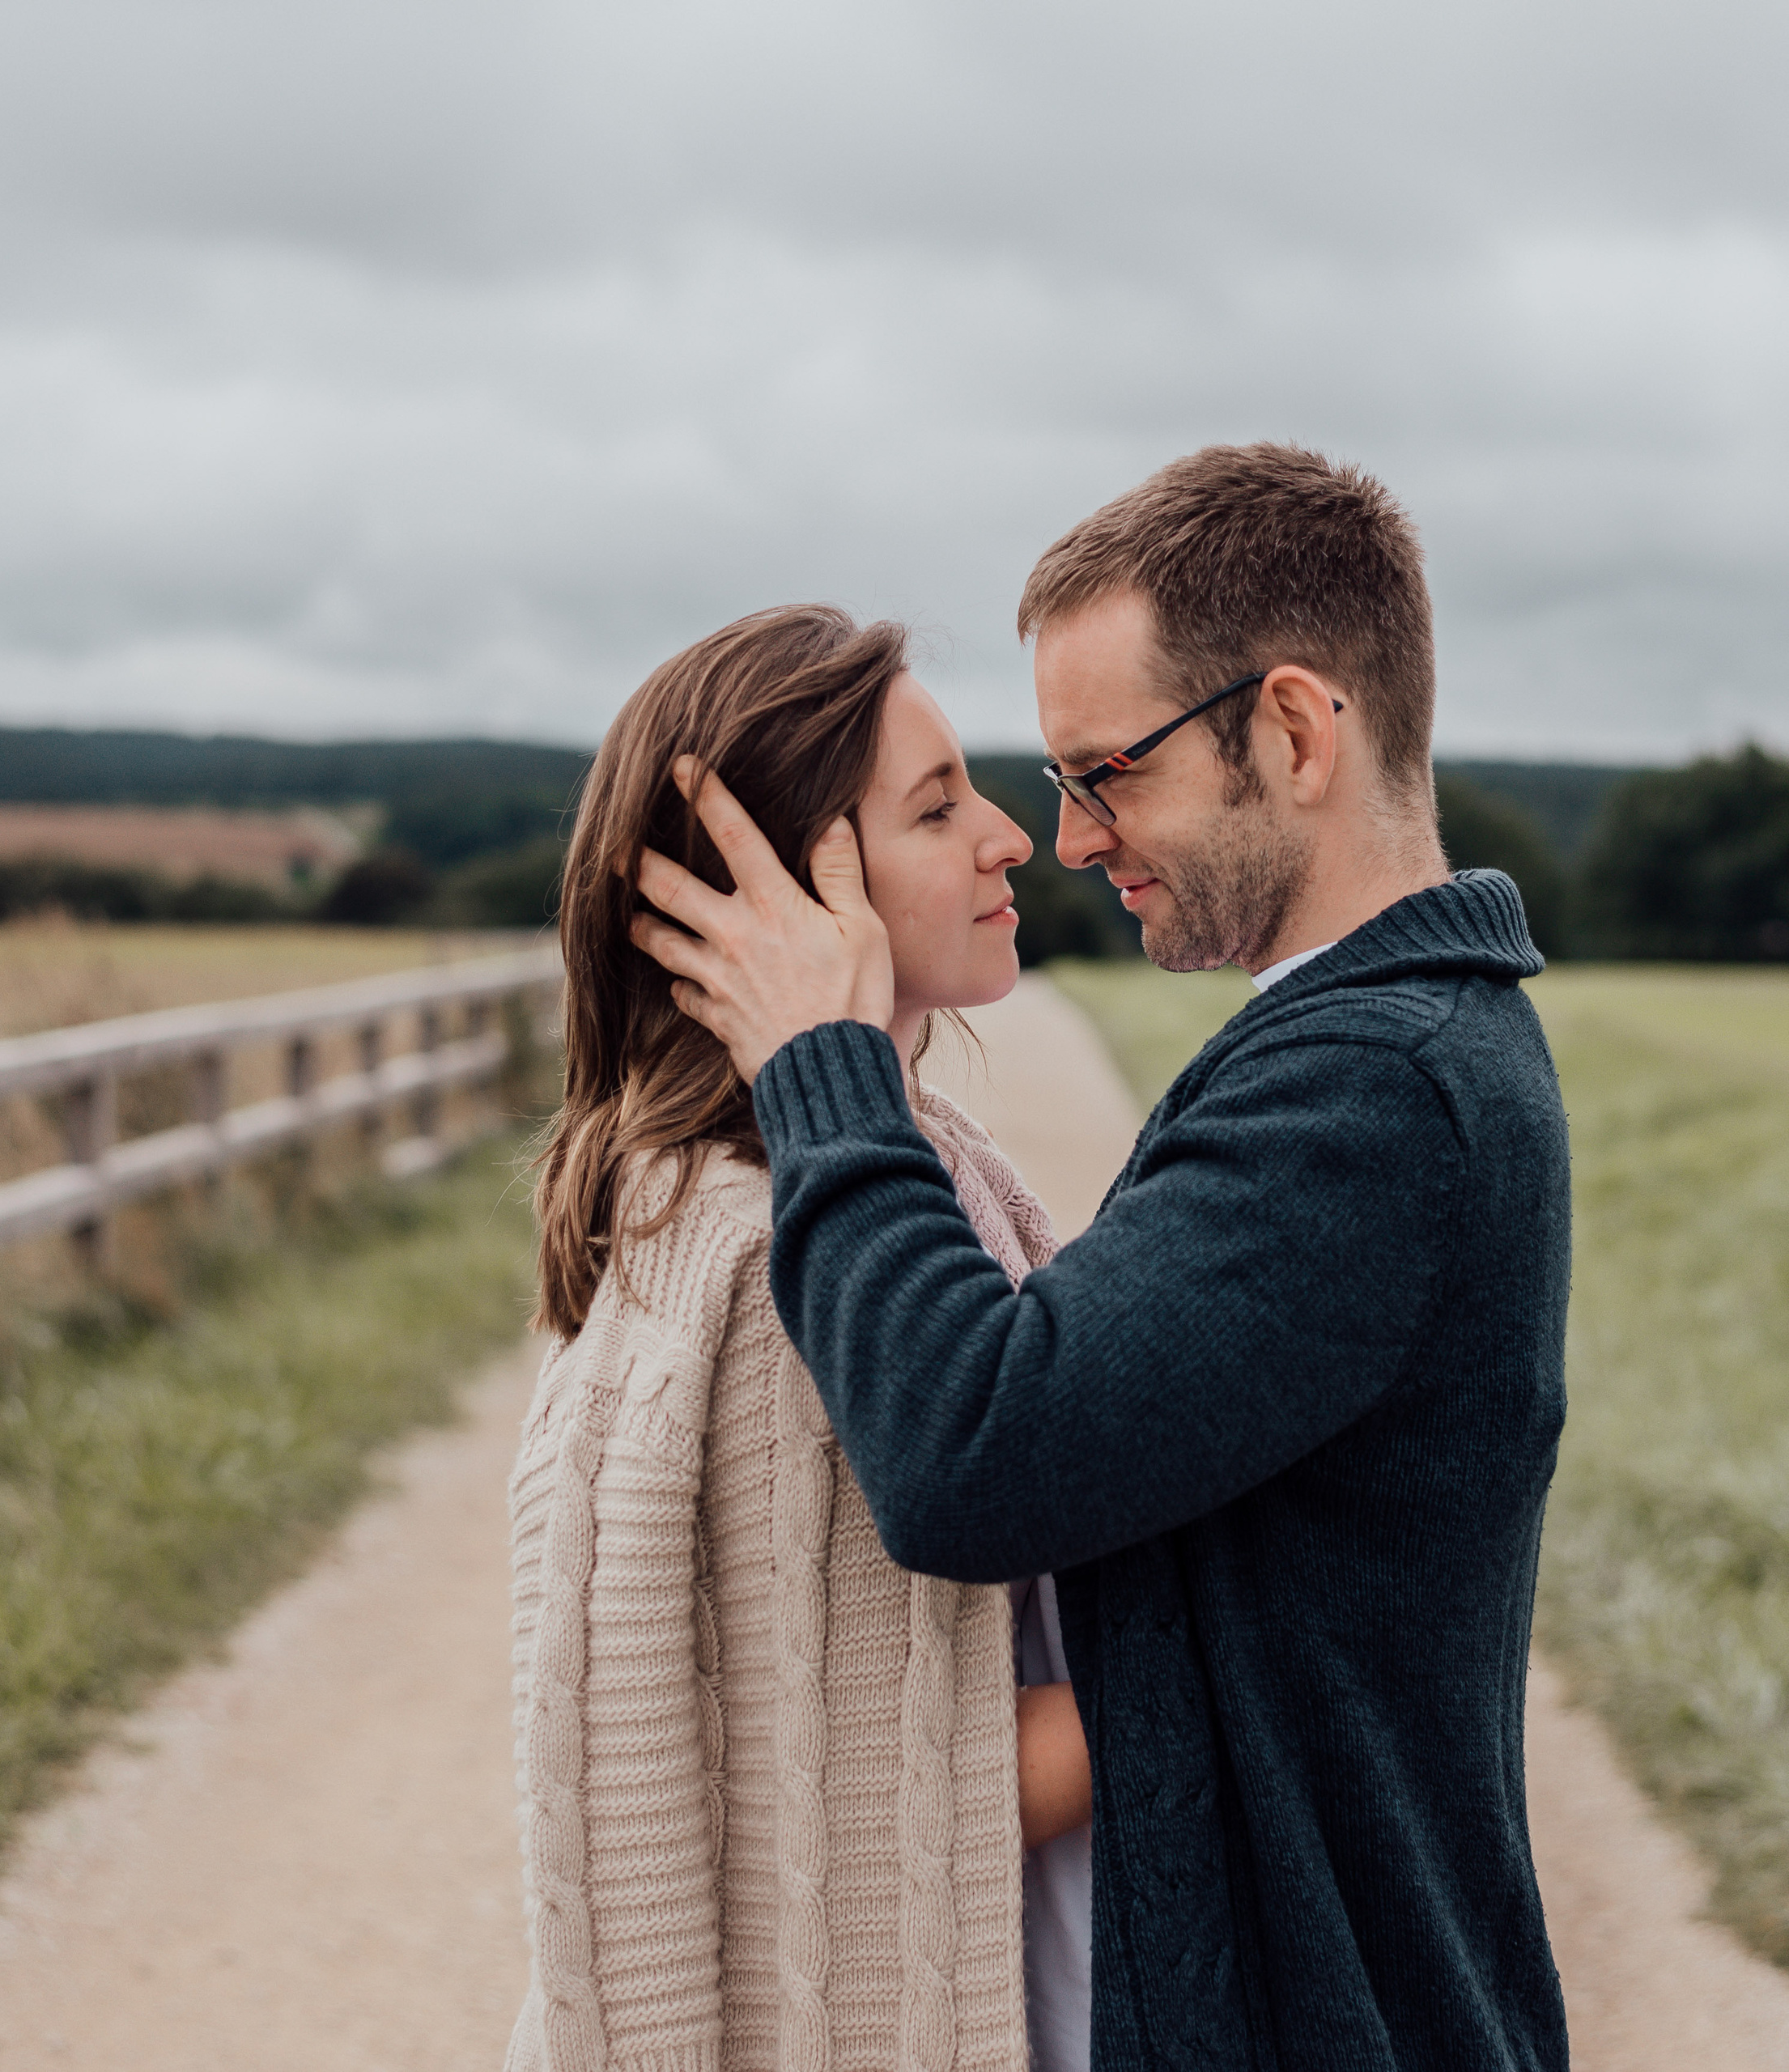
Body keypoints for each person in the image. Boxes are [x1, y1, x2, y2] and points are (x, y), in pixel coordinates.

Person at [631, 444, 1573, 2070]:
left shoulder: (1372, 1086)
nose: (1065, 838)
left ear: (1289, 731)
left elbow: (972, 1453)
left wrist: (820, 1071)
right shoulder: (1373, 1046)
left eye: (1103, 771)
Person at [506, 603, 1095, 2072]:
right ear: (785, 886)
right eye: (938, 806)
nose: (1009, 837)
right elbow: (877, 1795)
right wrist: (1268, 1650)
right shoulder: (776, 1263)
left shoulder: (924, 1166)